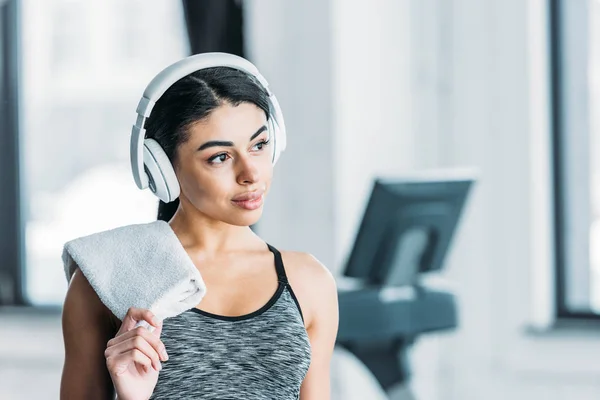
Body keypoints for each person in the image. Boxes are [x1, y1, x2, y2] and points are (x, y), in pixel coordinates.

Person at [59, 54, 339, 399]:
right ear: (161, 168)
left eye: (260, 145)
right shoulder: (105, 278)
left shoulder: (310, 282)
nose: (250, 173)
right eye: (220, 157)